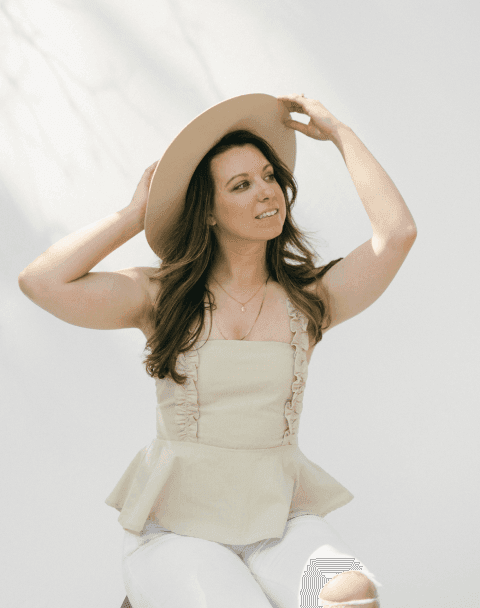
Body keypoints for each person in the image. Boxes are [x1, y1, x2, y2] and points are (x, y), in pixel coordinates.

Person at [18, 93, 417, 608]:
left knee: (351, 594)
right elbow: (41, 282)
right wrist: (133, 214)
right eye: (241, 185)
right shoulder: (160, 295)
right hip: (177, 531)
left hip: (280, 522)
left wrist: (340, 133)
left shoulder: (309, 299)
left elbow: (397, 233)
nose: (267, 192)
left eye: (270, 176)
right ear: (207, 211)